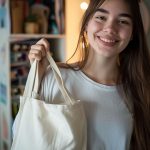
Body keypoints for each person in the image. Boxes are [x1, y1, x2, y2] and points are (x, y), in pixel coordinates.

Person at [28, 0, 150, 149]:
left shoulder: (139, 90)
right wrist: (35, 79)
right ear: (86, 23)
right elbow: (26, 133)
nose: (110, 28)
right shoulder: (54, 78)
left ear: (132, 34)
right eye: (101, 17)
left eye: (123, 21)